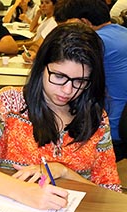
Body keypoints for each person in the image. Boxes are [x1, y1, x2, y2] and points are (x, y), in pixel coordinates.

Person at [0, 22, 122, 210]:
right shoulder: (10, 103)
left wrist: (64, 171)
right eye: (59, 76)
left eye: (80, 81)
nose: (68, 90)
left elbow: (110, 193)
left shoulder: (96, 118)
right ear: (41, 67)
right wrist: (23, 191)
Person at [54, 0, 127, 161]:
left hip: (110, 130)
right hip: (122, 123)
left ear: (84, 22)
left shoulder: (95, 41)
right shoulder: (122, 32)